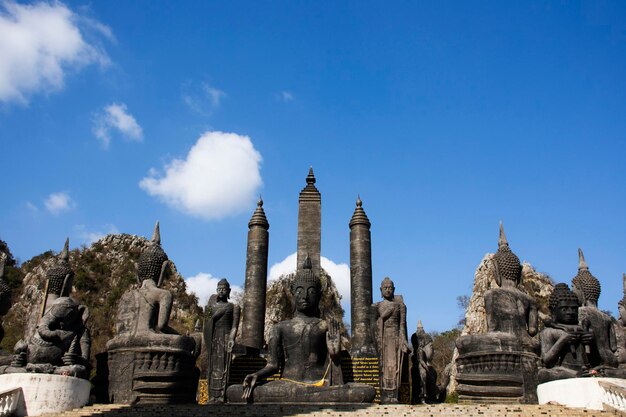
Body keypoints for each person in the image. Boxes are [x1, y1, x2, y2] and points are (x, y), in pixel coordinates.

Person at [227, 256, 375, 403]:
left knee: (366, 392)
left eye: (311, 292)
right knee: (233, 391)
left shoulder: (325, 326)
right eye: (299, 291)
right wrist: (257, 375)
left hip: (319, 385)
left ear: (318, 296)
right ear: (292, 293)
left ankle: (308, 395)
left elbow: (334, 375)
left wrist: (335, 356)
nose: (304, 296)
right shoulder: (280, 327)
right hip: (287, 384)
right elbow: (273, 365)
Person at [538, 283, 594, 383]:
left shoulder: (583, 329)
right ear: (553, 311)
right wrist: (562, 340)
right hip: (563, 370)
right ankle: (575, 376)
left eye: (574, 309)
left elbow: (596, 357)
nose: (570, 312)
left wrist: (591, 341)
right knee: (543, 374)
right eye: (564, 309)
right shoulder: (549, 332)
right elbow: (546, 361)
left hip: (584, 369)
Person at [373, 277, 409, 404]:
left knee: (394, 366)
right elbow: (374, 324)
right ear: (380, 290)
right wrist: (382, 317)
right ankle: (384, 394)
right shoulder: (377, 306)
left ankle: (394, 394)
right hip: (383, 338)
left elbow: (402, 325)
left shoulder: (399, 306)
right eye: (385, 288)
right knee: (383, 366)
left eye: (390, 288)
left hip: (394, 337)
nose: (388, 290)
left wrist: (403, 340)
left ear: (394, 290)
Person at [205, 279, 240, 402]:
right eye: (219, 289)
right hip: (214, 338)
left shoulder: (234, 307)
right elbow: (207, 324)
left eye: (224, 289)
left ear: (229, 291)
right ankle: (212, 396)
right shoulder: (210, 307)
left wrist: (231, 338)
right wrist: (216, 315)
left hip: (225, 336)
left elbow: (235, 326)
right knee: (213, 365)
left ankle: (221, 395)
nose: (221, 291)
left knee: (224, 365)